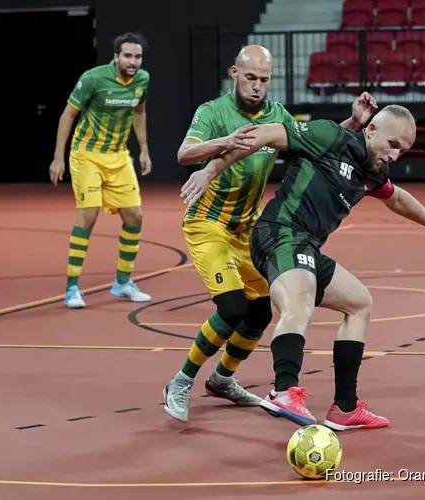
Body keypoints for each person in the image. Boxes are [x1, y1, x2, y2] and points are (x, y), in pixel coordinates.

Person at [187, 104, 425, 431]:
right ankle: (284, 390)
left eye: (402, 151)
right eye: (393, 145)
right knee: (299, 300)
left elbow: (397, 198)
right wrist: (210, 169)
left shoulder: (373, 171)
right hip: (279, 233)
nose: (395, 156)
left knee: (359, 303)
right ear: (371, 130)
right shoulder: (328, 136)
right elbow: (265, 135)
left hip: (306, 246)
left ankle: (345, 408)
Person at [161, 44, 378, 423]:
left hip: (248, 227)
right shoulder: (212, 113)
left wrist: (353, 124)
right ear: (234, 73)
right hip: (208, 225)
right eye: (251, 77)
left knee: (260, 312)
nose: (258, 86)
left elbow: (312, 141)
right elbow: (184, 153)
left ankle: (223, 379)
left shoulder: (276, 114)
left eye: (264, 79)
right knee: (231, 308)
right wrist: (225, 143)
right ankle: (181, 380)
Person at [49, 32, 153, 309]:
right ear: (116, 56)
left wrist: (143, 148)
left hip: (118, 157)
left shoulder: (142, 80)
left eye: (138, 56)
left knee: (135, 216)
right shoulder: (93, 78)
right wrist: (58, 159)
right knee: (88, 216)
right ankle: (72, 288)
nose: (133, 61)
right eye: (128, 55)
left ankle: (122, 282)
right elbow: (68, 115)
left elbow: (139, 111)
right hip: (87, 156)